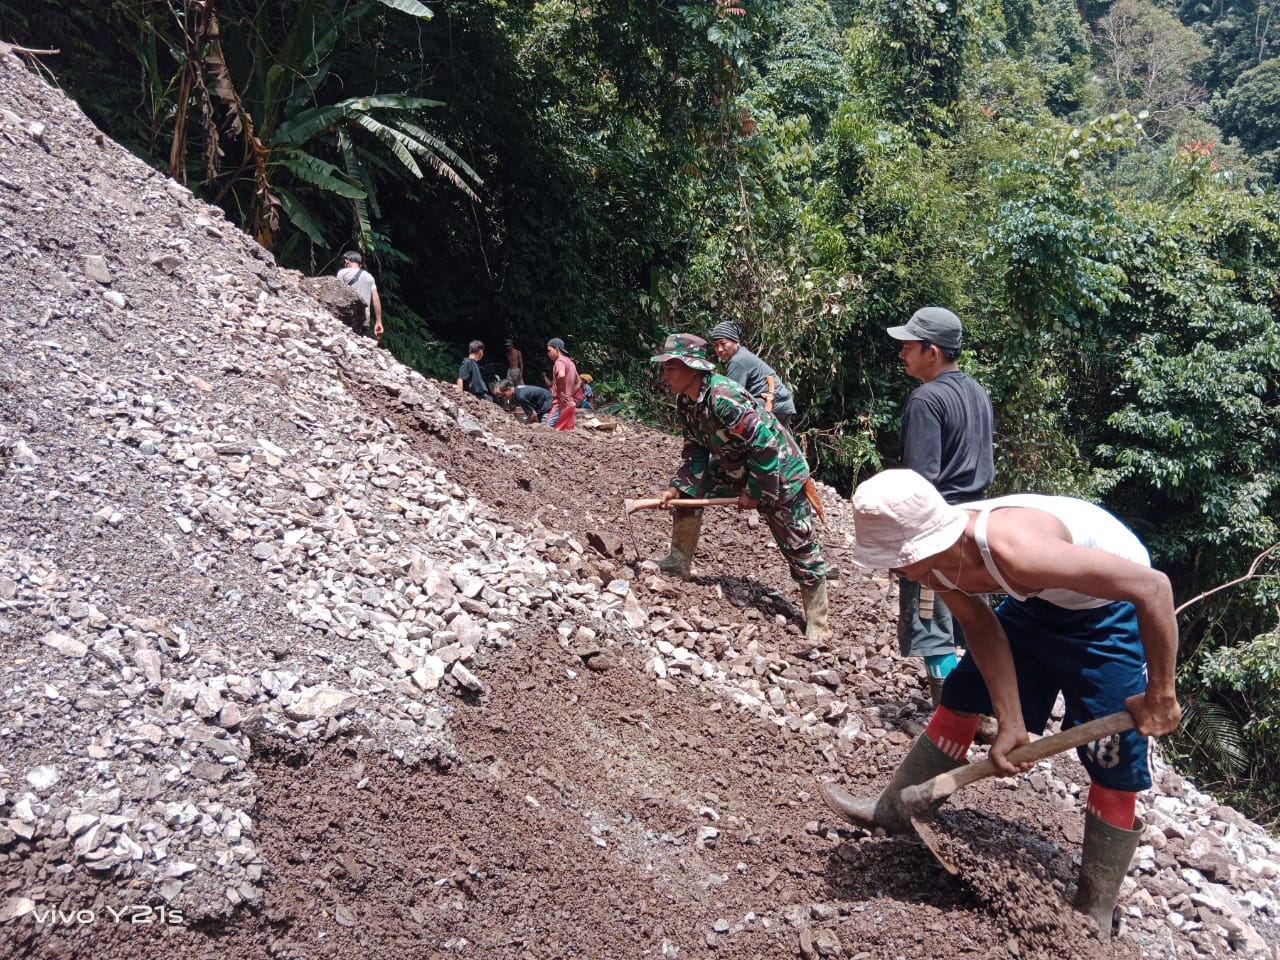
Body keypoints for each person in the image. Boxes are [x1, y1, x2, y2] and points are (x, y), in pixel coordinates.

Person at [820, 469, 1181, 934]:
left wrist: (1162, 694)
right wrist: (1011, 723)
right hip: (1037, 603)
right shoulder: (938, 561)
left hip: (1104, 613)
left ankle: (1095, 907)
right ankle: (895, 813)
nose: (893, 572)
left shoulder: (1018, 551)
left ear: (925, 543)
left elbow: (1154, 587)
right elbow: (982, 627)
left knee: (1113, 758)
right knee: (963, 692)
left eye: (896, 561)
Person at [647, 333, 831, 641]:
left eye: (672, 367)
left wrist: (756, 493)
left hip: (780, 472)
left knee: (798, 544)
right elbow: (694, 448)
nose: (666, 374)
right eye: (665, 367)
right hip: (739, 466)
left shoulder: (723, 397)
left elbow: (766, 445)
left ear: (693, 369)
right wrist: (678, 487)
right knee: (691, 490)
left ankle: (818, 623)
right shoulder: (686, 402)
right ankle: (679, 561)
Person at [887, 306, 995, 710]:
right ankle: (985, 710)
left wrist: (903, 540)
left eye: (909, 346)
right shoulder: (977, 392)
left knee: (931, 621)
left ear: (932, 351)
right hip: (978, 522)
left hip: (938, 525)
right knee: (974, 619)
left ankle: (954, 715)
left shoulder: (926, 400)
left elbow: (921, 480)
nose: (902, 354)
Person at [709, 321, 797, 430]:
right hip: (781, 404)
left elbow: (730, 397)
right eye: (716, 345)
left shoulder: (738, 361)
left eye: (723, 343)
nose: (719, 349)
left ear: (735, 341)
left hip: (774, 405)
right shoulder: (741, 355)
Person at [335, 250, 384, 340]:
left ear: (346, 261)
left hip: (347, 318)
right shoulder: (369, 277)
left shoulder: (342, 272)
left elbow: (337, 293)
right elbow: (376, 299)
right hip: (364, 320)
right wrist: (378, 321)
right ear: (360, 265)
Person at [545, 337, 580, 431]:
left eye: (549, 350)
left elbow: (561, 375)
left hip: (561, 405)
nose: (548, 354)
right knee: (565, 434)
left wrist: (560, 392)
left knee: (547, 430)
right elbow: (578, 382)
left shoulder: (559, 361)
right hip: (570, 404)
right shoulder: (570, 362)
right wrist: (569, 395)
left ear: (557, 349)